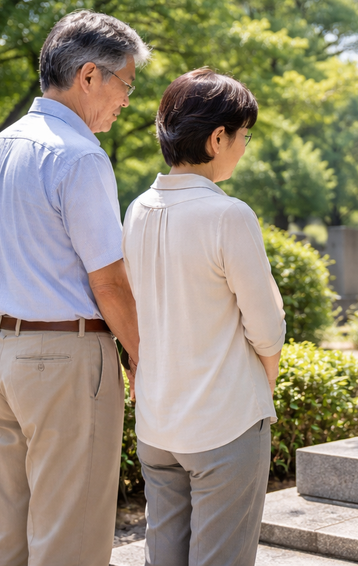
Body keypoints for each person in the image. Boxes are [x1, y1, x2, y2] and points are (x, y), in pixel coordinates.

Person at [0, 10, 148, 566]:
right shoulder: (80, 156)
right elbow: (111, 283)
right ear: (90, 76)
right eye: (126, 83)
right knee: (69, 540)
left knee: (10, 534)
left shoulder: (0, 147)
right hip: (66, 359)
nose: (127, 100)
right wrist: (143, 357)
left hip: (4, 354)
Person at [122, 67, 284, 566]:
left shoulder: (136, 209)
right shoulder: (228, 215)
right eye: (243, 136)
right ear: (218, 138)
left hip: (157, 422)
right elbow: (267, 327)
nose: (244, 146)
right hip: (224, 423)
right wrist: (267, 384)